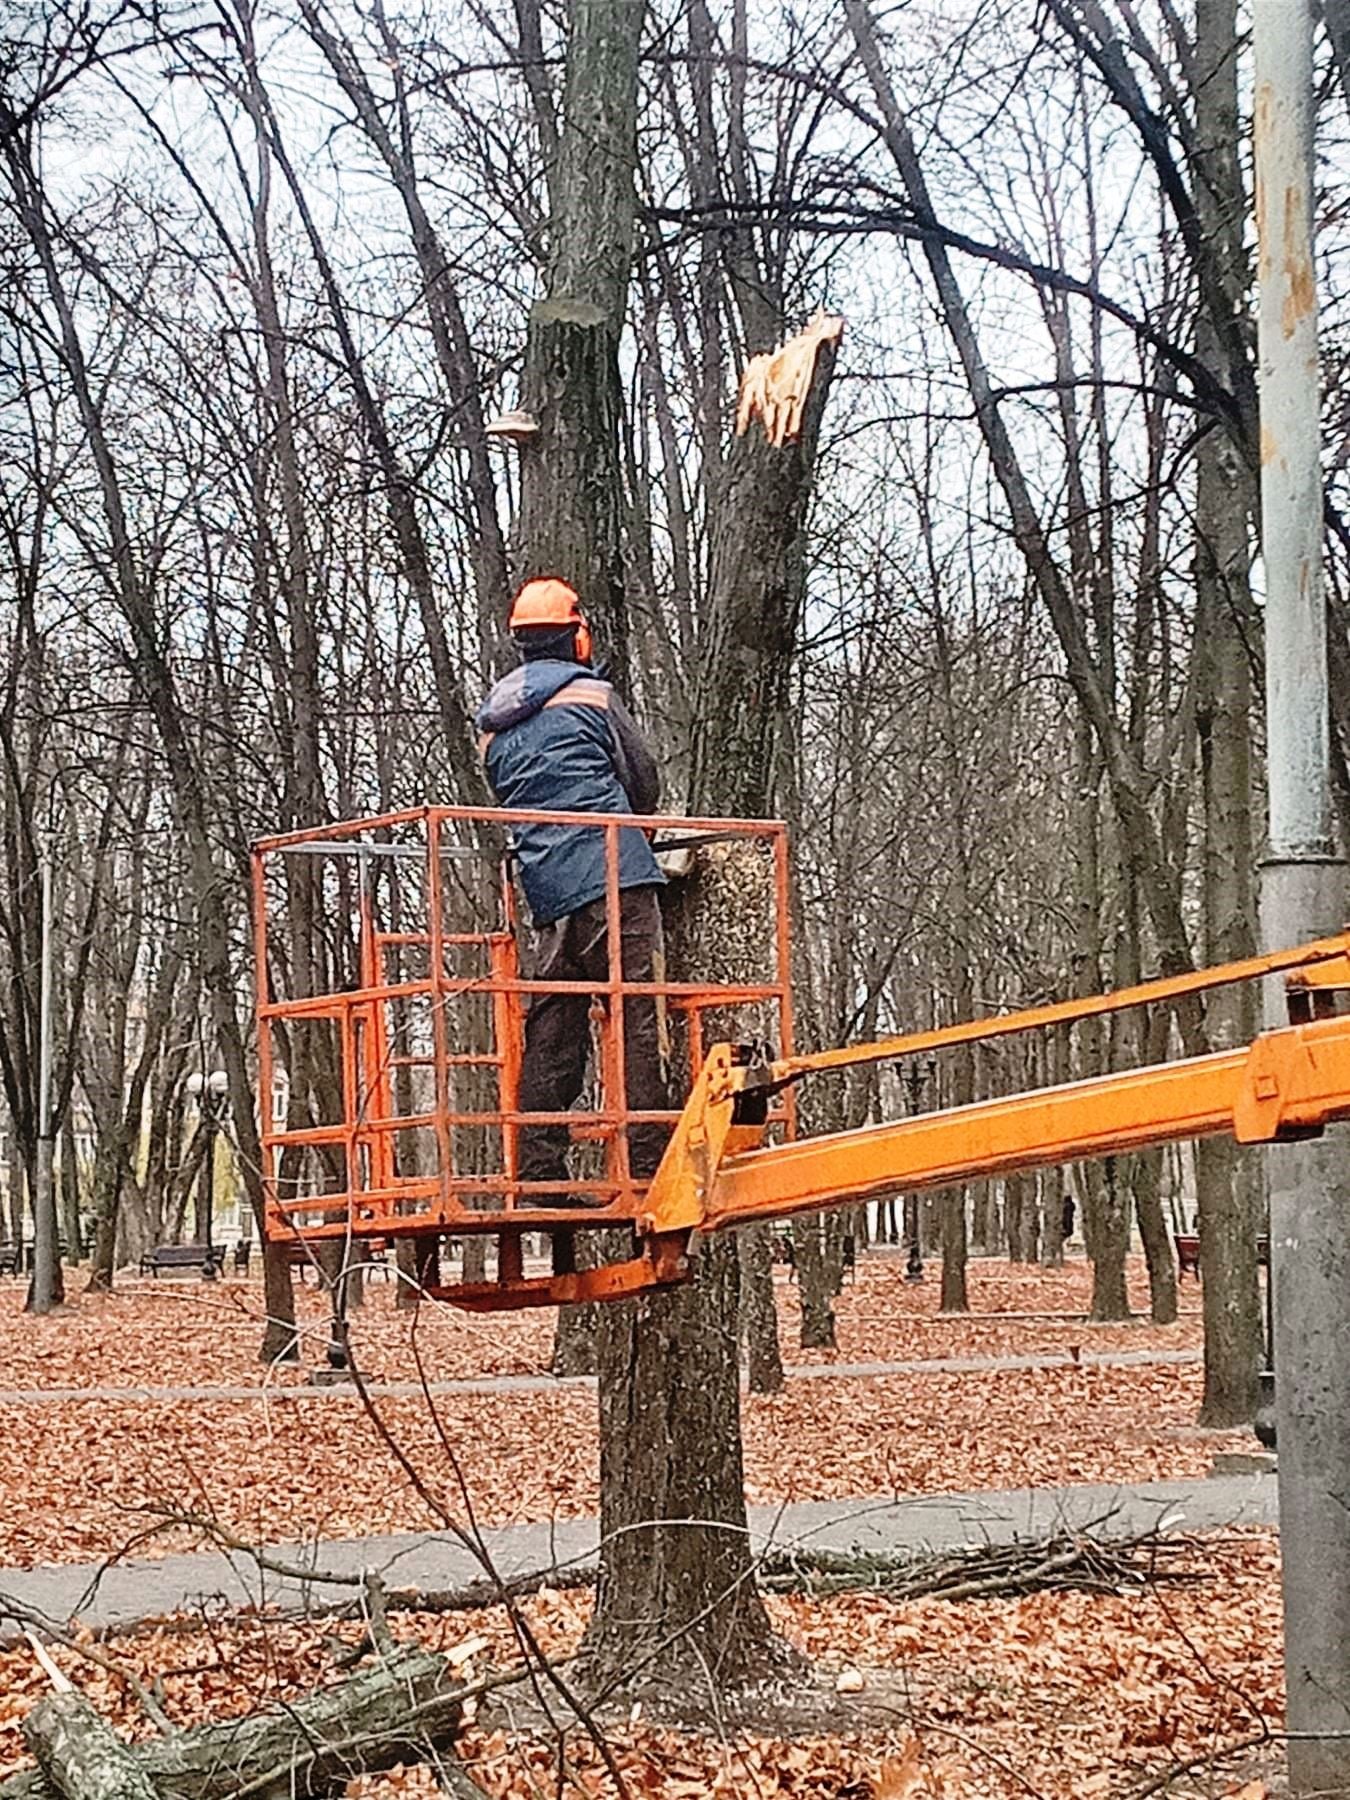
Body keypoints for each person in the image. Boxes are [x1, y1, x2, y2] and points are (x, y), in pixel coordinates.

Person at [476, 578, 670, 1239]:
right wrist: (635, 834)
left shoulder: (492, 725)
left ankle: (540, 1172)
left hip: (546, 890)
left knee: (554, 1026)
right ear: (575, 635)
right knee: (640, 1013)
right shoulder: (593, 694)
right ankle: (650, 1164)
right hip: (615, 875)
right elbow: (642, 778)